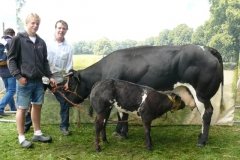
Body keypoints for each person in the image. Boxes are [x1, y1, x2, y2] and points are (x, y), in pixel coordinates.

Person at [7, 13, 56, 148]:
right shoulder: (18, 39)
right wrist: (18, 76)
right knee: (22, 109)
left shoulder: (41, 42)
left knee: (37, 106)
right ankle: (22, 137)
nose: (35, 25)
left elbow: (44, 62)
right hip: (25, 81)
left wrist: (50, 76)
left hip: (39, 81)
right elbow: (11, 60)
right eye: (32, 23)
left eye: (37, 23)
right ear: (26, 23)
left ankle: (37, 133)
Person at [24, 20, 73, 136]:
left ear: (66, 30)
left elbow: (70, 67)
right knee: (35, 102)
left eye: (64, 28)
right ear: (55, 29)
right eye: (59, 28)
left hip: (58, 80)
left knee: (64, 102)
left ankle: (64, 127)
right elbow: (39, 61)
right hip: (43, 78)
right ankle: (26, 125)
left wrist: (67, 82)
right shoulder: (45, 43)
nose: (61, 30)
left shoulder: (69, 48)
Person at [0, 28, 16, 116]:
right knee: (12, 90)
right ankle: (0, 107)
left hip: (1, 70)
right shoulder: (11, 41)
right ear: (13, 34)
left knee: (8, 90)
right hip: (10, 70)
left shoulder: (1, 41)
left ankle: (13, 109)